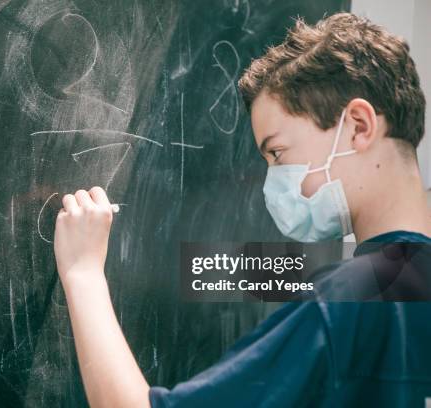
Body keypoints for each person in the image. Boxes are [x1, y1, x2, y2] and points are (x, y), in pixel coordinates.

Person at [52, 12, 431, 408]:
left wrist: (83, 273)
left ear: (358, 126)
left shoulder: (347, 302)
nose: (273, 184)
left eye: (278, 153)